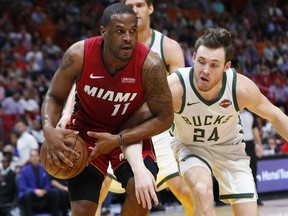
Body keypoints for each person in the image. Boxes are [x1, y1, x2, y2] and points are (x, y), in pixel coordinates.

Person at [133, 27, 288, 215]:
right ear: (194, 56)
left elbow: (275, 115)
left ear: (226, 66)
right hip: (190, 146)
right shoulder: (176, 86)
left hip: (230, 149)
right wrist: (138, 166)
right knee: (201, 190)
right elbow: (137, 120)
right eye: (201, 62)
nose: (205, 70)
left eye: (214, 65)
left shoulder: (240, 88)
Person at [41, 3, 173, 216]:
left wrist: (119, 139)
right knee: (83, 210)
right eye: (120, 31)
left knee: (143, 196)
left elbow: (165, 117)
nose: (128, 37)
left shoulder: (151, 64)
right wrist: (48, 129)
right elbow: (54, 96)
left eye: (132, 31)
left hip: (129, 135)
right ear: (104, 32)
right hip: (85, 135)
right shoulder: (78, 54)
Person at [94, 0, 193, 214]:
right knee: (97, 189)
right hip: (118, 126)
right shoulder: (108, 45)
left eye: (140, 4)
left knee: (186, 191)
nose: (135, 10)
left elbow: (179, 94)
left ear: (151, 8)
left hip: (158, 129)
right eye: (130, 5)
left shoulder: (169, 47)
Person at [18, 149, 60, 216]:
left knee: (55, 192)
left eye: (36, 156)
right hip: (31, 193)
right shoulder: (24, 171)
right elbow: (23, 187)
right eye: (32, 156)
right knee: (26, 195)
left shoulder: (44, 168)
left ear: (39, 157)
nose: (35, 158)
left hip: (43, 192)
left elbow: (48, 183)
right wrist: (35, 190)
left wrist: (44, 190)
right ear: (30, 158)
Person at [239, 109, 263, 206]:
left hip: (250, 145)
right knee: (239, 173)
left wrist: (259, 145)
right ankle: (241, 199)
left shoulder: (249, 115)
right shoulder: (231, 113)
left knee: (253, 172)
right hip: (236, 145)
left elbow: (255, 130)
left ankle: (255, 197)